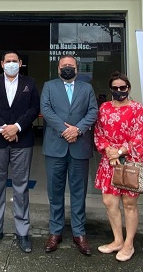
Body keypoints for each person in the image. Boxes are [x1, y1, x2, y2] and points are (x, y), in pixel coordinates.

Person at [0, 51, 40, 253]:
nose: (12, 64)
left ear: (20, 63)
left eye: (15, 61)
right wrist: (4, 128)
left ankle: (22, 233)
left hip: (22, 141)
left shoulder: (29, 83)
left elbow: (33, 108)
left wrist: (17, 127)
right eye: (8, 61)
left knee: (21, 187)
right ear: (2, 63)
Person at [40, 55, 98, 256]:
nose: (67, 68)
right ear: (58, 69)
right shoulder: (49, 86)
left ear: (77, 68)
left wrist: (78, 130)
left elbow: (93, 111)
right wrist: (64, 130)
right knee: (55, 192)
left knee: (78, 192)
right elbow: (45, 110)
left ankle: (79, 232)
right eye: (63, 65)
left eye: (70, 66)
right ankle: (55, 232)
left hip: (79, 146)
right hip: (55, 146)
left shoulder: (86, 88)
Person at [94, 72, 143, 262]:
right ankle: (117, 240)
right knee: (109, 202)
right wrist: (109, 151)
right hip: (109, 161)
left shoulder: (137, 109)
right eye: (115, 88)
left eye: (123, 88)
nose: (119, 91)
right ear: (111, 89)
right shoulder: (104, 108)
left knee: (129, 204)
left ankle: (129, 243)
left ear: (128, 88)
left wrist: (120, 152)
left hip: (130, 162)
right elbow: (99, 132)